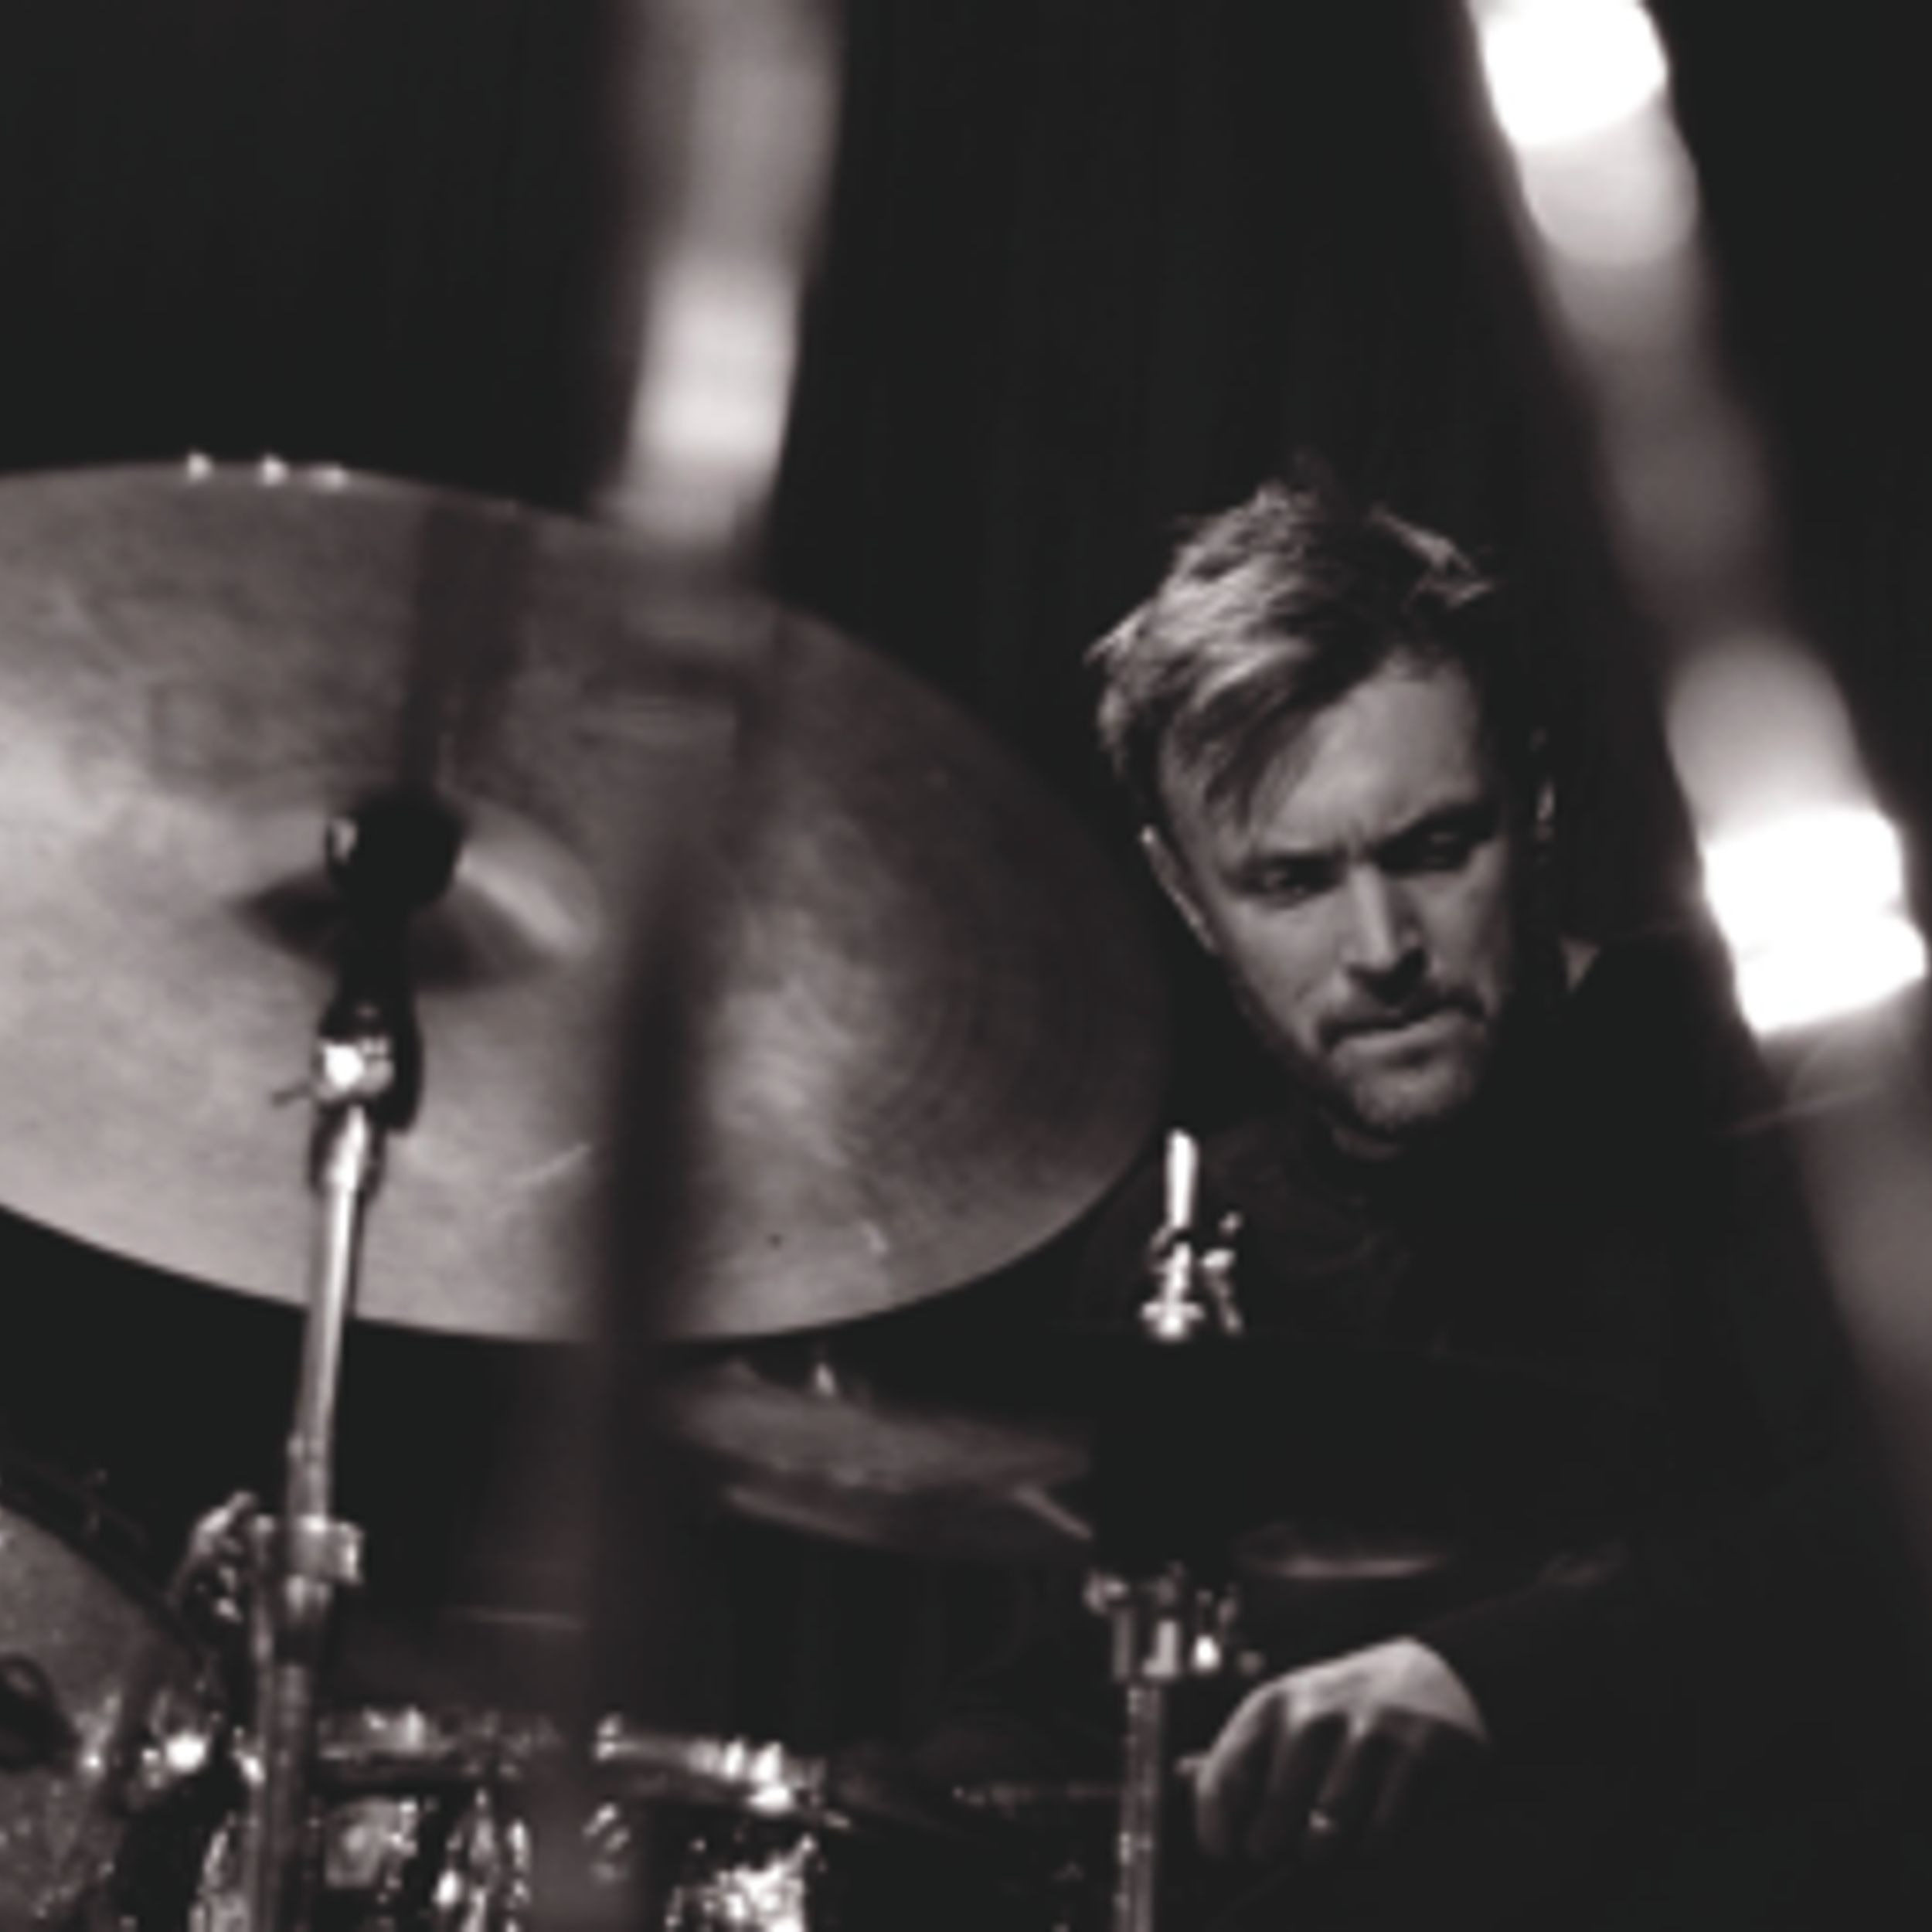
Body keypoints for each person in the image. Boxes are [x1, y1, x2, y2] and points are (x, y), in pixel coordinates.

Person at [917, 468, 1932, 1928]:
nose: (1382, 946)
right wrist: (875, 1815)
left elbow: (1889, 1521)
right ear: (1185, 893)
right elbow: (1084, 1691)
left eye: (1435, 849)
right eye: (1291, 883)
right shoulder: (1187, 1230)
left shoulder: (1788, 1085)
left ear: (1539, 802)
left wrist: (1490, 1676)